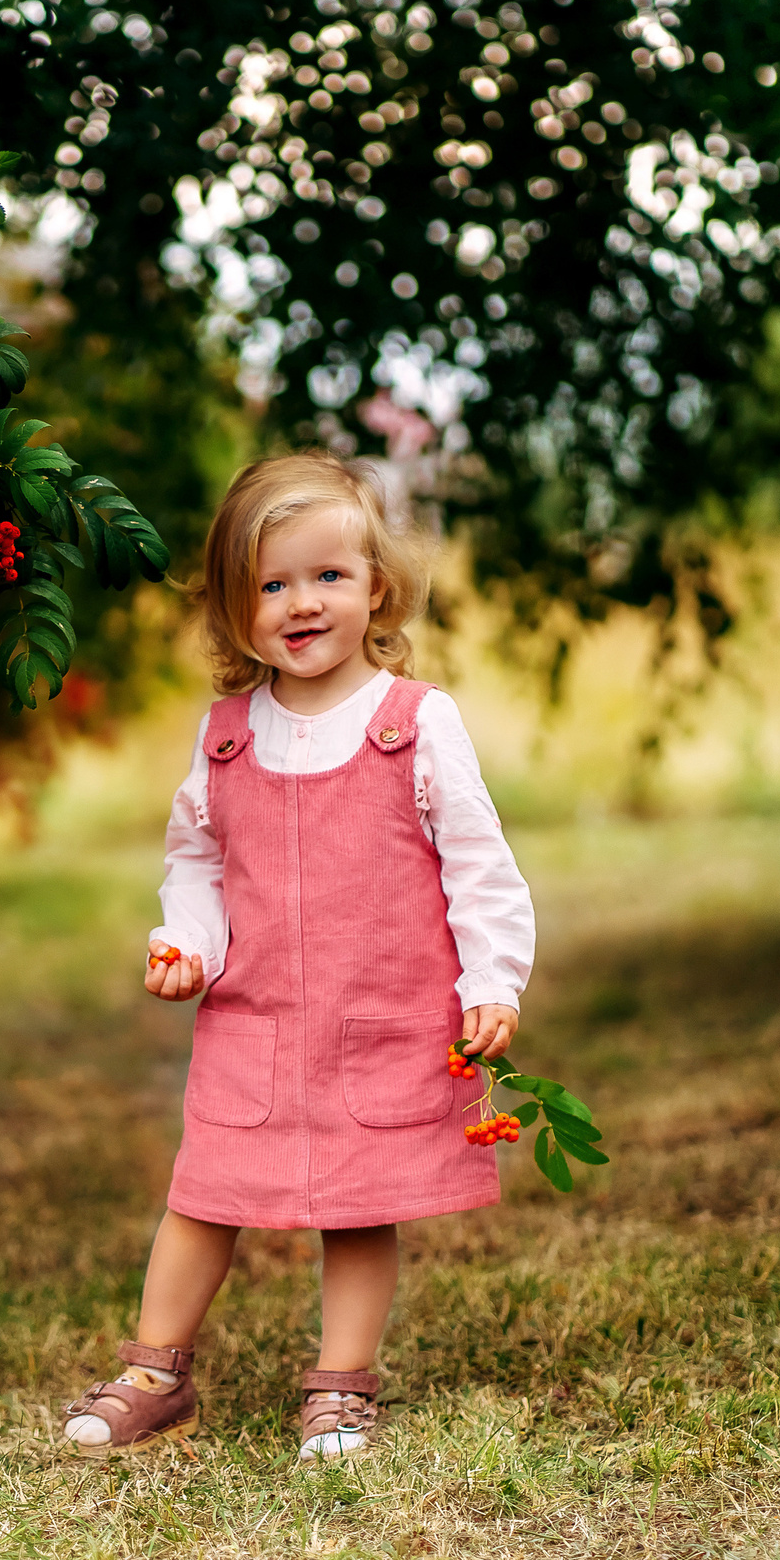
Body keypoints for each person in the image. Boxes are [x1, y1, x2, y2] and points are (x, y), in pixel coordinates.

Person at [60, 450, 534, 1464]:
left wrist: (490, 979)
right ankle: (154, 1370)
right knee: (205, 1190)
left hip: (381, 1018)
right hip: (255, 1018)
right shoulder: (228, 736)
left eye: (328, 576)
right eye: (270, 584)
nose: (301, 602)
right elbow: (196, 856)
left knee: (361, 1204)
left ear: (377, 589)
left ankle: (341, 1384)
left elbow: (478, 862)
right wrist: (186, 941)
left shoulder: (415, 725)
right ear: (236, 610)